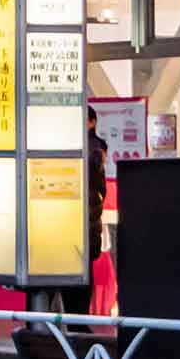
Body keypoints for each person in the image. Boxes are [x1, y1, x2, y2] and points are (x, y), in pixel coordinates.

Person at [59, 106, 108, 329]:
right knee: (80, 277)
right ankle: (78, 324)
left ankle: (75, 324)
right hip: (84, 225)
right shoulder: (94, 149)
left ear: (91, 122)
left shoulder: (84, 147)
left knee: (71, 276)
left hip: (71, 224)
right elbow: (100, 188)